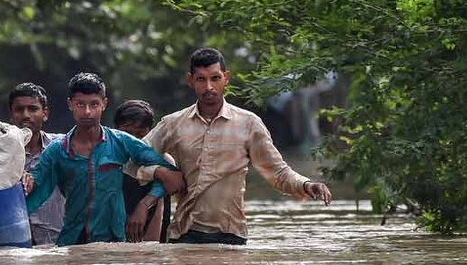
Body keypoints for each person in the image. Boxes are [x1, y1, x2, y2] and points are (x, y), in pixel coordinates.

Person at [135, 48, 333, 245]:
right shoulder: (173, 124)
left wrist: (306, 185)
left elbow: (278, 173)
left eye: (215, 78)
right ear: (190, 81)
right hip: (185, 234)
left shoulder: (248, 124)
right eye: (201, 79)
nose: (209, 87)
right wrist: (160, 172)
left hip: (232, 235)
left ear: (226, 78)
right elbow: (132, 158)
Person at [24, 73, 184, 246]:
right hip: (72, 242)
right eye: (80, 104)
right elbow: (36, 187)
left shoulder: (121, 142)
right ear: (70, 104)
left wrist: (144, 205)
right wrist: (26, 180)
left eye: (94, 104)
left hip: (114, 243)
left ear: (104, 104)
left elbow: (173, 176)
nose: (87, 112)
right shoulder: (57, 151)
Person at [8, 82, 66, 246]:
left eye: (33, 109)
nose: (26, 115)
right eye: (19, 110)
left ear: (45, 114)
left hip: (58, 243)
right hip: (14, 244)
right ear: (11, 115)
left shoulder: (63, 147)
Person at [114, 100, 171, 242]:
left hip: (149, 236)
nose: (132, 140)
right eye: (127, 134)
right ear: (116, 131)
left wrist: (150, 248)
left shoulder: (162, 160)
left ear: (150, 133)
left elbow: (160, 211)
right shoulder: (108, 159)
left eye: (139, 135)